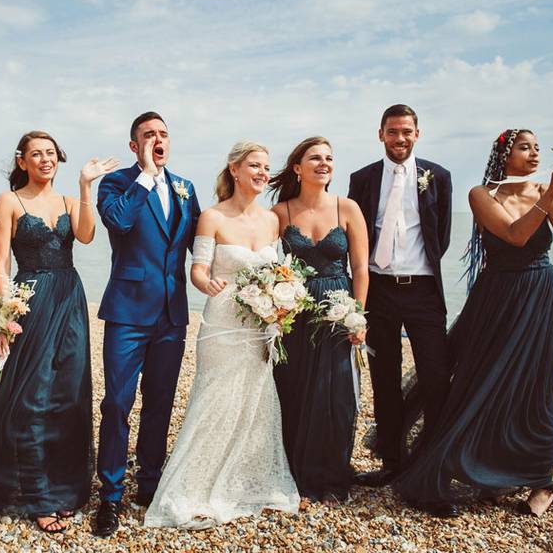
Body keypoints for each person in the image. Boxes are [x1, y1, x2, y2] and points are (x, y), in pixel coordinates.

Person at [395, 129, 553, 517]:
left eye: (537, 147)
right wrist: (549, 197)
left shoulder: (541, 191)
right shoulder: (482, 195)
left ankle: (542, 481)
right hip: (497, 298)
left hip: (541, 295)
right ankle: (484, 472)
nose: (534, 153)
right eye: (524, 147)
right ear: (504, 154)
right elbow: (514, 236)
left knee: (537, 388)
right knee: (482, 383)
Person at [0, 131, 118, 534]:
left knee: (67, 396)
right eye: (36, 154)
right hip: (29, 301)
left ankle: (63, 489)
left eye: (50, 153)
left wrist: (85, 185)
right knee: (30, 399)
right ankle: (37, 494)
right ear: (22, 161)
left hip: (69, 300)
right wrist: (5, 316)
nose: (45, 160)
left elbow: (85, 235)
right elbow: (0, 266)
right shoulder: (9, 200)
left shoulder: (67, 200)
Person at [144, 141, 300, 529]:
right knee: (215, 396)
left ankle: (246, 479)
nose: (263, 172)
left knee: (255, 399)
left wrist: (283, 300)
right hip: (223, 320)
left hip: (260, 324)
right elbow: (197, 268)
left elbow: (278, 272)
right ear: (235, 169)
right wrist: (207, 283)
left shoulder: (271, 221)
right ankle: (193, 486)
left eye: (266, 167)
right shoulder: (212, 216)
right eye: (255, 166)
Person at [93, 111, 201, 537]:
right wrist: (146, 177)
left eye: (163, 134)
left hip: (173, 315)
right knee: (117, 404)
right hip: (127, 313)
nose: (158, 139)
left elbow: (202, 241)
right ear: (133, 144)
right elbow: (117, 221)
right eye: (148, 135)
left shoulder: (186, 188)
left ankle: (151, 483)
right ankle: (111, 494)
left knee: (160, 402)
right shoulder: (117, 183)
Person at [347, 104, 452, 505]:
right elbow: (357, 236)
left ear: (417, 134)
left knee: (436, 377)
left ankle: (433, 463)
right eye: (393, 132)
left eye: (406, 131)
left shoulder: (437, 177)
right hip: (380, 290)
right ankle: (392, 461)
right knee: (384, 378)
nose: (400, 139)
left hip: (424, 289)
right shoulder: (363, 179)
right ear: (381, 135)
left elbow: (440, 235)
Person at [269, 136, 369, 505]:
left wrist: (357, 315)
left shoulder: (348, 208)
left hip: (338, 308)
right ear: (298, 167)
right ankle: (296, 474)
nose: (324, 163)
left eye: (329, 158)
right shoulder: (281, 213)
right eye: (315, 158)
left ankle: (332, 476)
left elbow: (360, 266)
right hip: (294, 311)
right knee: (292, 389)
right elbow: (264, 260)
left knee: (336, 393)